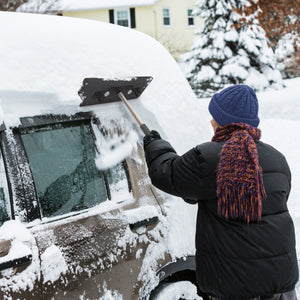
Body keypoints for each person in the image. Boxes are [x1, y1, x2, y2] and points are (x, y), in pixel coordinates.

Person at [143, 85, 299, 299]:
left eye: (215, 116)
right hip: (280, 283)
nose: (211, 122)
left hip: (237, 284)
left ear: (225, 121)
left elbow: (167, 174)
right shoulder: (277, 159)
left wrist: (155, 143)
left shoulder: (209, 158)